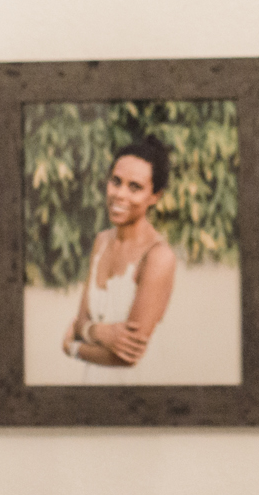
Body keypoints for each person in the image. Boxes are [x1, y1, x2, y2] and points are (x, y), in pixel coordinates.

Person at [61, 137, 176, 382]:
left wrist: (72, 347)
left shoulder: (158, 257)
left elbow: (127, 357)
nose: (119, 194)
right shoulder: (101, 242)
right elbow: (82, 319)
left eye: (135, 187)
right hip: (93, 384)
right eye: (116, 182)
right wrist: (101, 331)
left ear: (154, 196)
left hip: (140, 389)